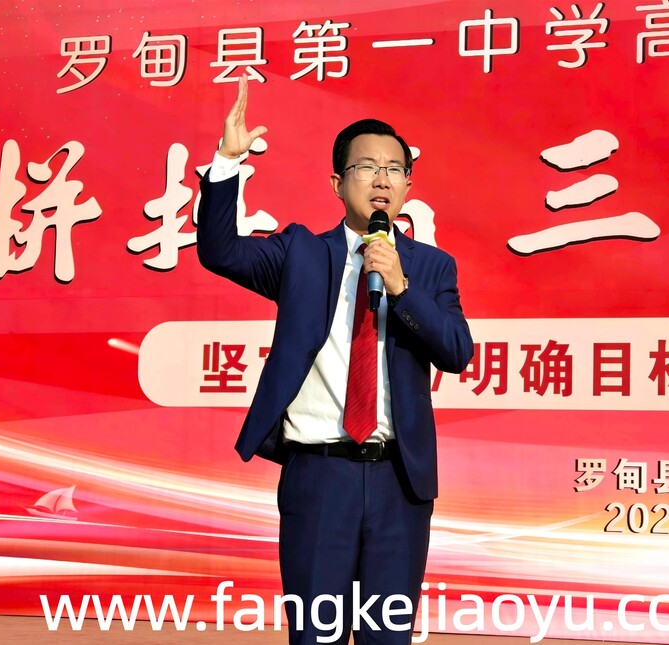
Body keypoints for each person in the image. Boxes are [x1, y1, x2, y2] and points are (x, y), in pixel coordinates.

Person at [197, 74, 474, 644]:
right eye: (366, 167)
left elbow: (456, 351)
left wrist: (400, 288)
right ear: (337, 183)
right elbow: (218, 252)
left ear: (408, 185)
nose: (382, 179)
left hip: (399, 481)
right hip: (319, 475)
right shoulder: (300, 254)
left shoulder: (430, 266)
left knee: (386, 637)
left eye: (394, 169)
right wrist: (227, 161)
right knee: (316, 636)